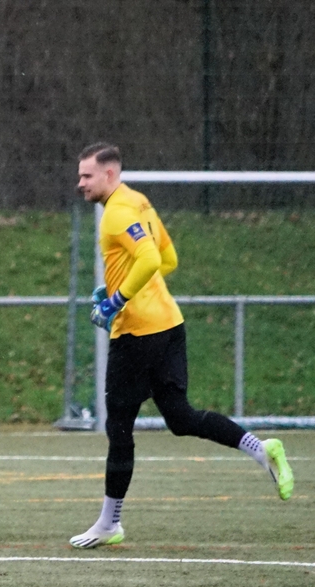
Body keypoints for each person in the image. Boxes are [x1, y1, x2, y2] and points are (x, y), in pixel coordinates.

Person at [71, 143, 294, 548]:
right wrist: (118, 283)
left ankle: (109, 523)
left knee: (119, 427)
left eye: (87, 175)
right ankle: (260, 449)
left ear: (109, 174)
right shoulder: (139, 202)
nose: (80, 183)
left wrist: (116, 300)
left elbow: (150, 261)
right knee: (180, 416)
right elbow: (167, 258)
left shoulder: (117, 212)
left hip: (138, 333)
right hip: (170, 325)